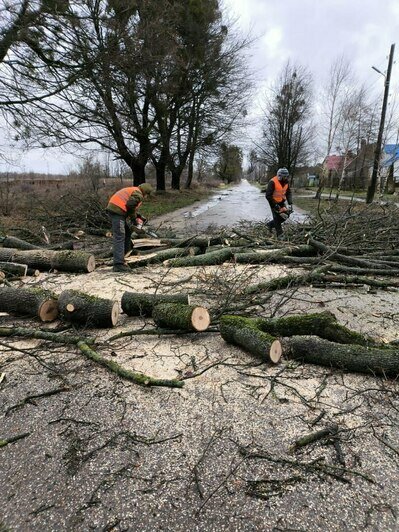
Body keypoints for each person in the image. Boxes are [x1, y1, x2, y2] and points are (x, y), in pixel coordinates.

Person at [106, 183, 153, 272]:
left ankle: (127, 256)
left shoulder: (134, 190)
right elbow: (130, 205)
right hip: (117, 211)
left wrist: (138, 216)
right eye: (147, 195)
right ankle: (118, 264)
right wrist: (134, 219)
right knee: (120, 235)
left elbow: (131, 207)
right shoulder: (138, 194)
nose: (146, 197)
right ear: (145, 192)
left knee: (127, 233)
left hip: (117, 210)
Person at [265, 167, 293, 239]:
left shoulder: (286, 182)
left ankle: (270, 225)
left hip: (281, 201)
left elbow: (288, 192)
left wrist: (290, 202)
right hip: (273, 202)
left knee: (285, 216)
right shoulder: (272, 182)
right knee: (277, 218)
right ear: (280, 176)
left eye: (287, 176)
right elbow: (268, 195)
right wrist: (275, 205)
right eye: (284, 176)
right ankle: (280, 235)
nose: (286, 178)